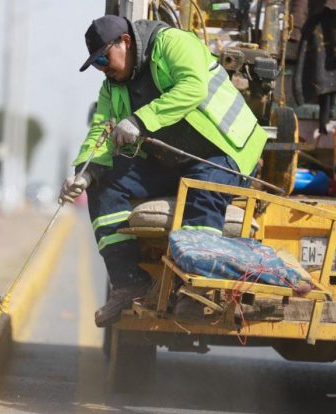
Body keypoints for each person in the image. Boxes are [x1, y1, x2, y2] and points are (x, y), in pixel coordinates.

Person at [60, 15, 267, 327]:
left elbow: (192, 88)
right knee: (105, 183)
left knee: (202, 193)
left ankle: (195, 289)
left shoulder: (173, 43)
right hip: (171, 160)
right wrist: (85, 173)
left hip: (224, 149)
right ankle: (129, 282)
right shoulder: (112, 88)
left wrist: (141, 121)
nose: (103, 67)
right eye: (96, 63)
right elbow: (99, 133)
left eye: (104, 57)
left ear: (125, 42)